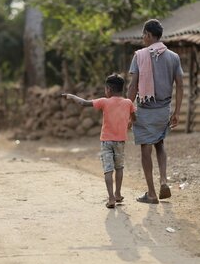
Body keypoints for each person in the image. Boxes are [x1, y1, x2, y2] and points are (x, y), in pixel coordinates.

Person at [127, 19, 183, 204]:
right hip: (163, 110)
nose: (143, 39)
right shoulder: (173, 57)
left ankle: (151, 193)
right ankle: (164, 180)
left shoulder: (139, 56)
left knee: (146, 149)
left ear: (149, 35)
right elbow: (180, 86)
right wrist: (177, 112)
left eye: (144, 35)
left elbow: (133, 86)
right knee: (160, 144)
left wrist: (128, 110)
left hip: (145, 110)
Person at [62, 74, 136, 209]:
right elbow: (134, 117)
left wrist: (72, 96)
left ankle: (111, 198)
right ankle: (118, 193)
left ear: (108, 89)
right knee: (119, 168)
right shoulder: (128, 103)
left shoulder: (104, 101)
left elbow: (83, 103)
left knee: (108, 170)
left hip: (106, 141)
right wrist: (130, 123)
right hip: (120, 142)